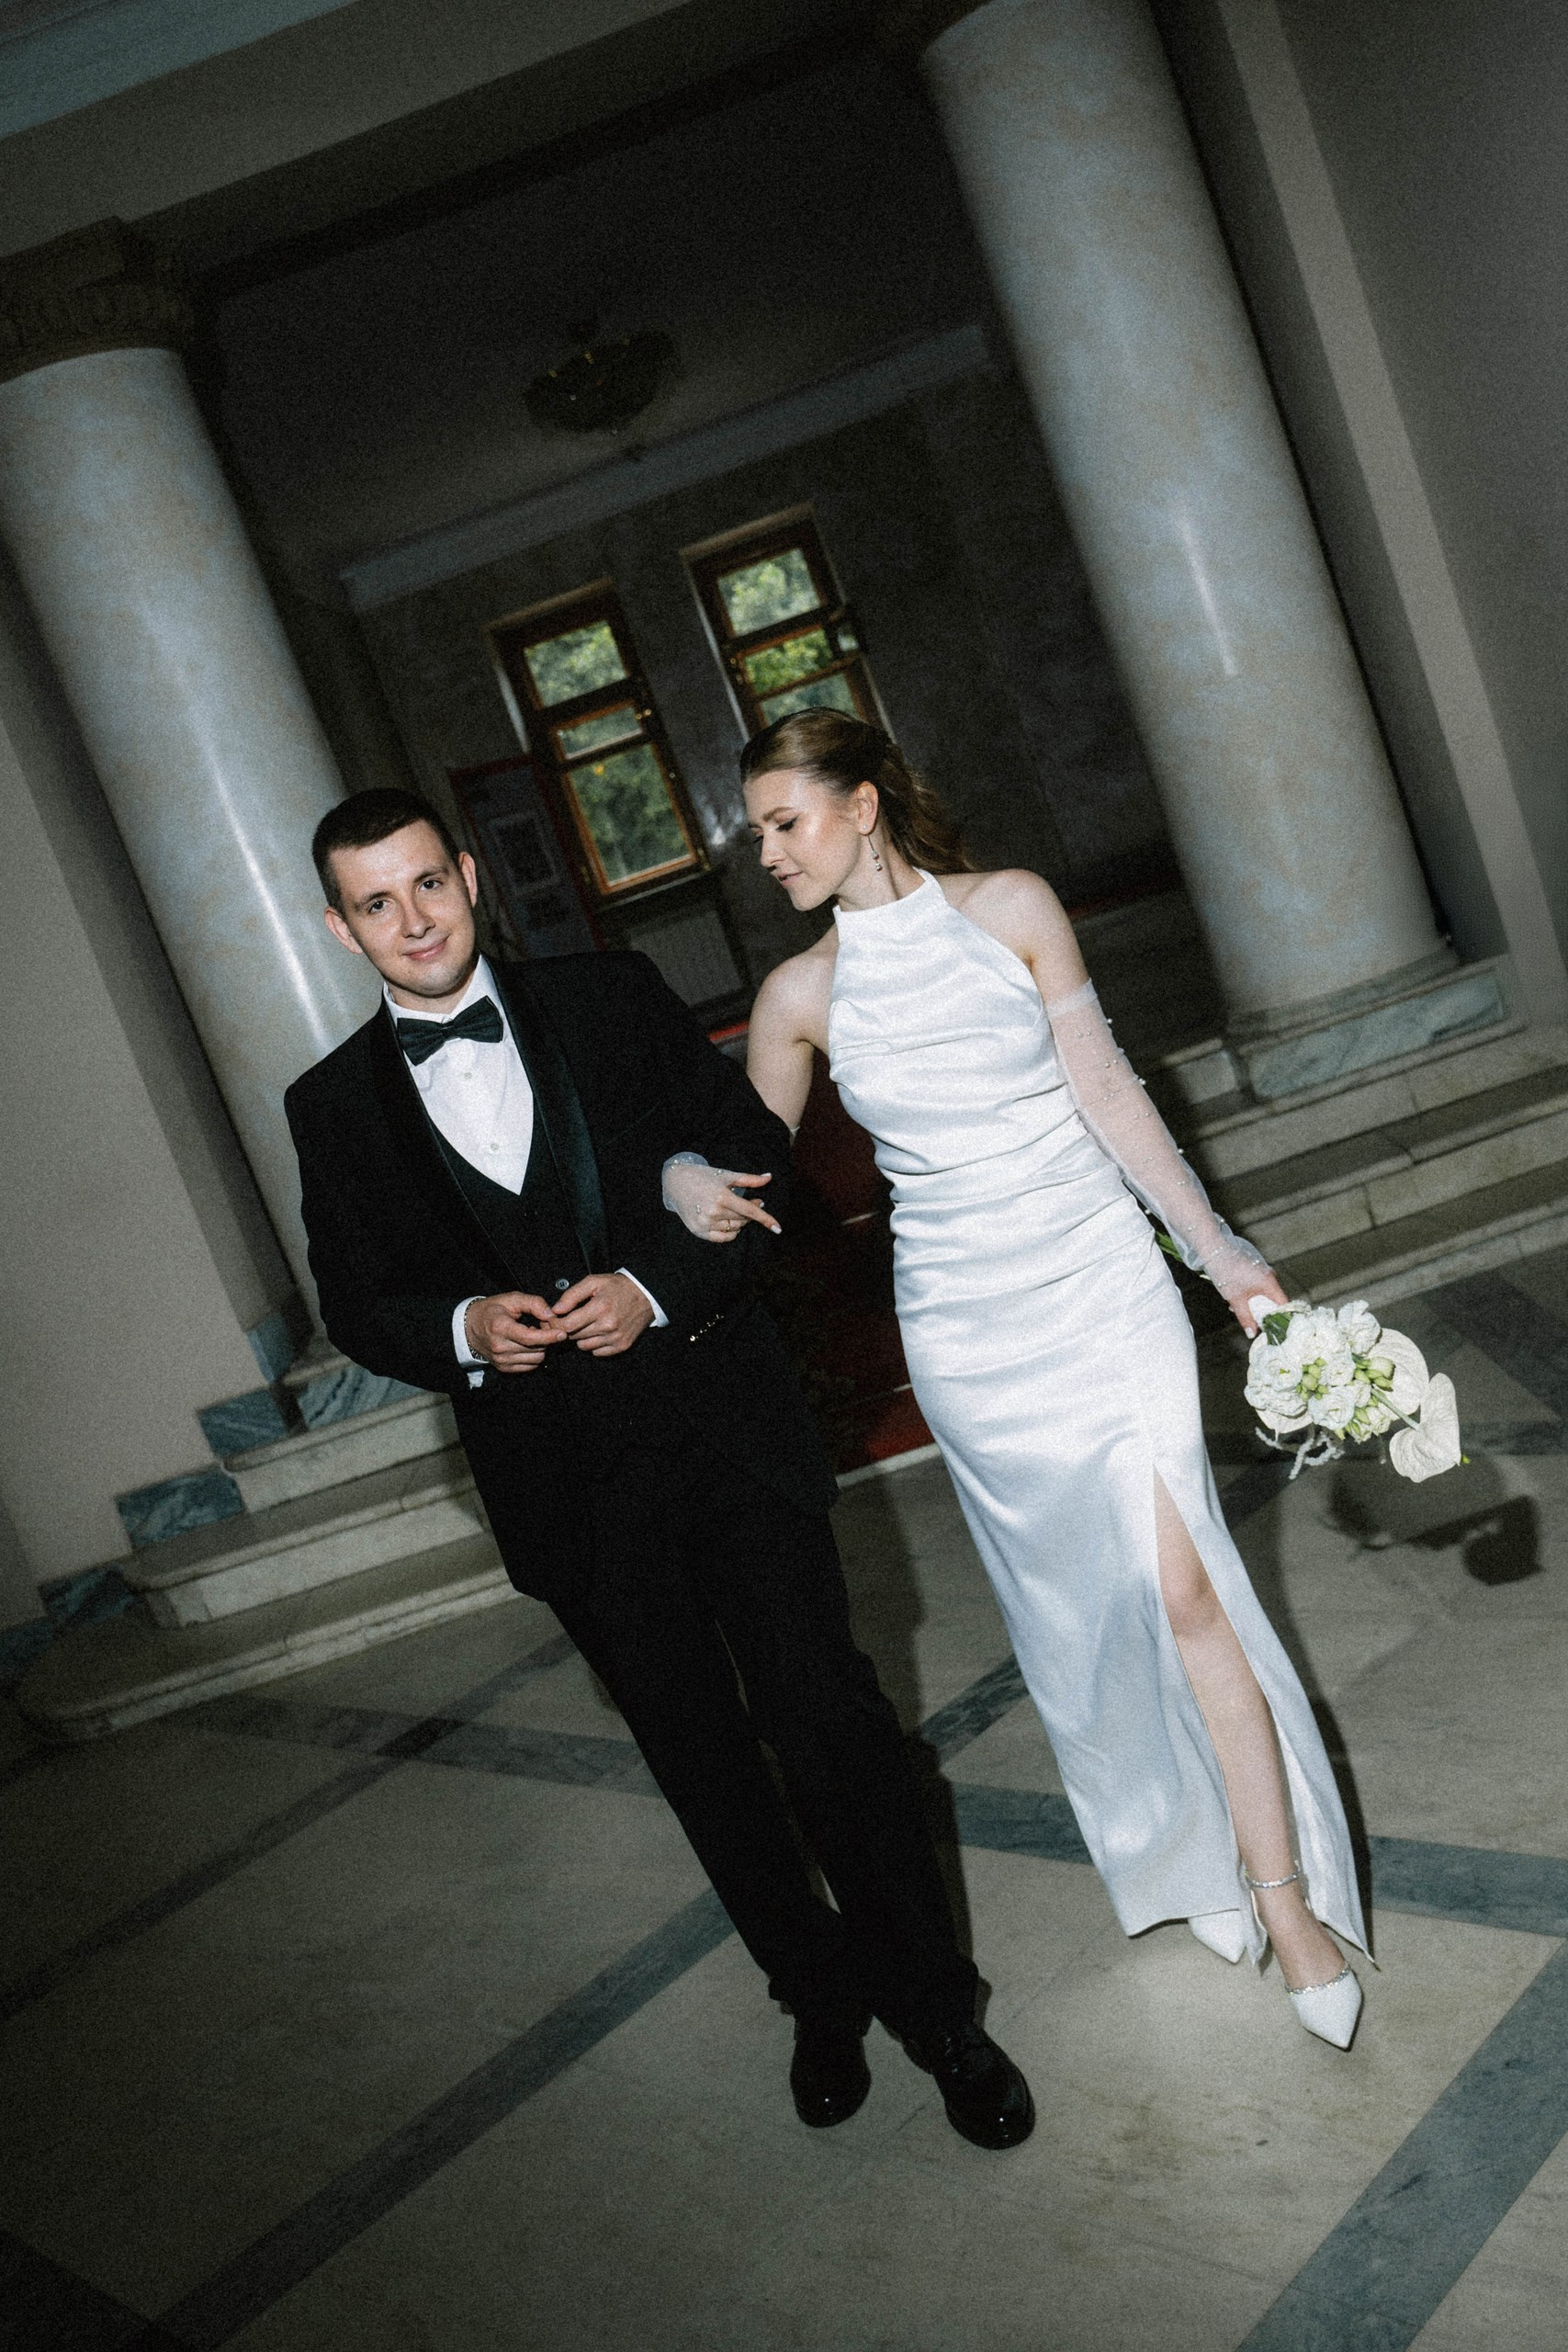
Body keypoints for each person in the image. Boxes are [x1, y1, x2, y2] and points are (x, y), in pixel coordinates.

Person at [284, 786, 1034, 2145]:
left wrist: (653, 1284)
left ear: (470, 877)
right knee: (704, 1764)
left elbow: (752, 1159)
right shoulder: (328, 1106)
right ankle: (814, 1996)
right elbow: (357, 1303)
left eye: (429, 885)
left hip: (726, 1435)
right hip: (567, 1494)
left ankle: (941, 2012)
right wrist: (459, 1328)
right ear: (343, 930)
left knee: (830, 1724)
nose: (414, 921)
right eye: (376, 904)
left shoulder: (609, 997)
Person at [664, 712, 1368, 2051]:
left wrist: (1224, 1258)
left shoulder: (1013, 909)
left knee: (1184, 1586)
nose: (765, 853)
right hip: (968, 1330)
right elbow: (736, 1158)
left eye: (784, 822)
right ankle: (1177, 1849)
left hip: (1102, 1279)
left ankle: (1283, 1900)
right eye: (756, 832)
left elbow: (1110, 1093)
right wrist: (678, 1179)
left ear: (862, 805)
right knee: (1084, 1614)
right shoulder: (800, 997)